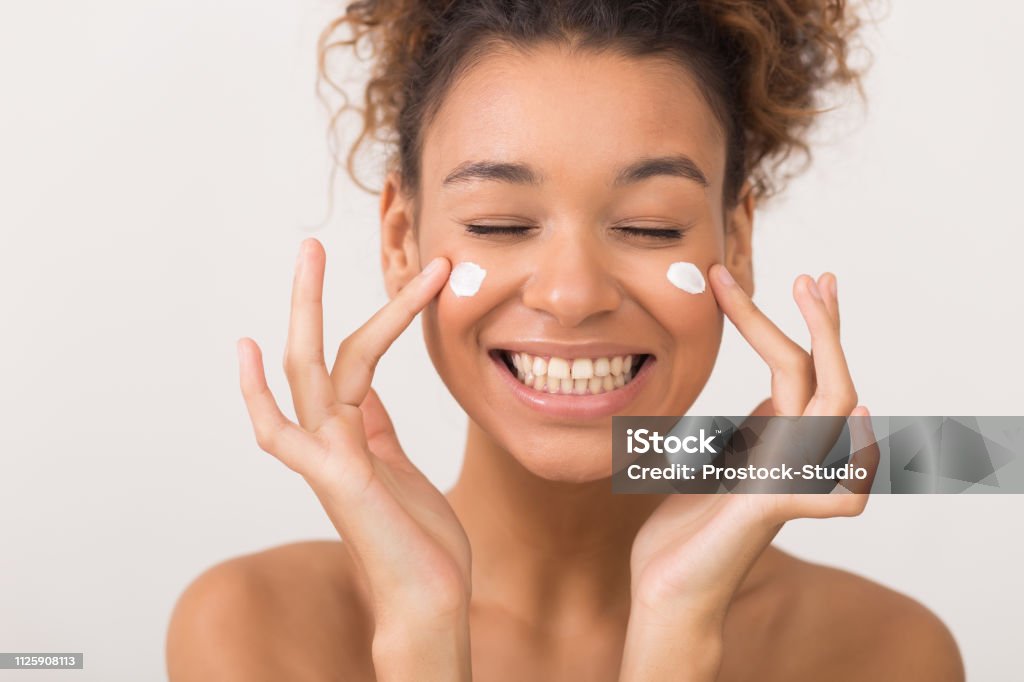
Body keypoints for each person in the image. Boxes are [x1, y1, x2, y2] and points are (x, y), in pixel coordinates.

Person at [166, 1, 964, 679]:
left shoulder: (886, 654)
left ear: (737, 241)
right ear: (400, 239)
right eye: (499, 224)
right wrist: (423, 628)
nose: (573, 294)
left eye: (650, 226)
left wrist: (674, 624)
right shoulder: (255, 631)